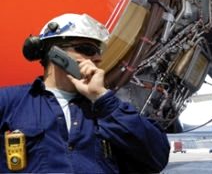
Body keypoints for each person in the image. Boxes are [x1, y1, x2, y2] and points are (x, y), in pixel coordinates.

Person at [0, 13, 170, 173]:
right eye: (87, 49)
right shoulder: (9, 102)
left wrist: (101, 99)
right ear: (55, 53)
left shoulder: (110, 108)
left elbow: (157, 158)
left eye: (99, 51)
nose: (98, 58)